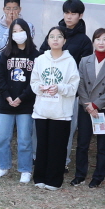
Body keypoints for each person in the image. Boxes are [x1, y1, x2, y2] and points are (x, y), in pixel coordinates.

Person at [29, 27, 79, 189]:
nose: (55, 39)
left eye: (59, 37)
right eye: (52, 36)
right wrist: (41, 87)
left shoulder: (70, 61)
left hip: (61, 113)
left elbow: (73, 87)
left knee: (57, 147)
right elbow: (33, 82)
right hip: (42, 111)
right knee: (41, 146)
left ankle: (54, 181)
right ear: (48, 41)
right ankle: (40, 178)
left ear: (64, 41)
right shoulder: (40, 60)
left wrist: (59, 88)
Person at [0, 18, 37, 182]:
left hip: (25, 105)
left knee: (25, 139)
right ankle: (3, 166)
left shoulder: (35, 55)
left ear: (28, 32)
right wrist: (7, 96)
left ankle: (25, 169)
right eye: (14, 31)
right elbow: (0, 76)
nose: (18, 34)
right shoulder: (5, 53)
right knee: (3, 138)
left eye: (21, 31)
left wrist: (21, 98)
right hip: (6, 104)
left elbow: (35, 81)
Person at [73, 28, 105, 187]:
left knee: (102, 145)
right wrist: (89, 105)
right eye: (98, 39)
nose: (101, 42)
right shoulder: (85, 61)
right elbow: (80, 83)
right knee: (82, 143)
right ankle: (80, 175)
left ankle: (98, 177)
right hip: (86, 107)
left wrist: (96, 104)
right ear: (93, 42)